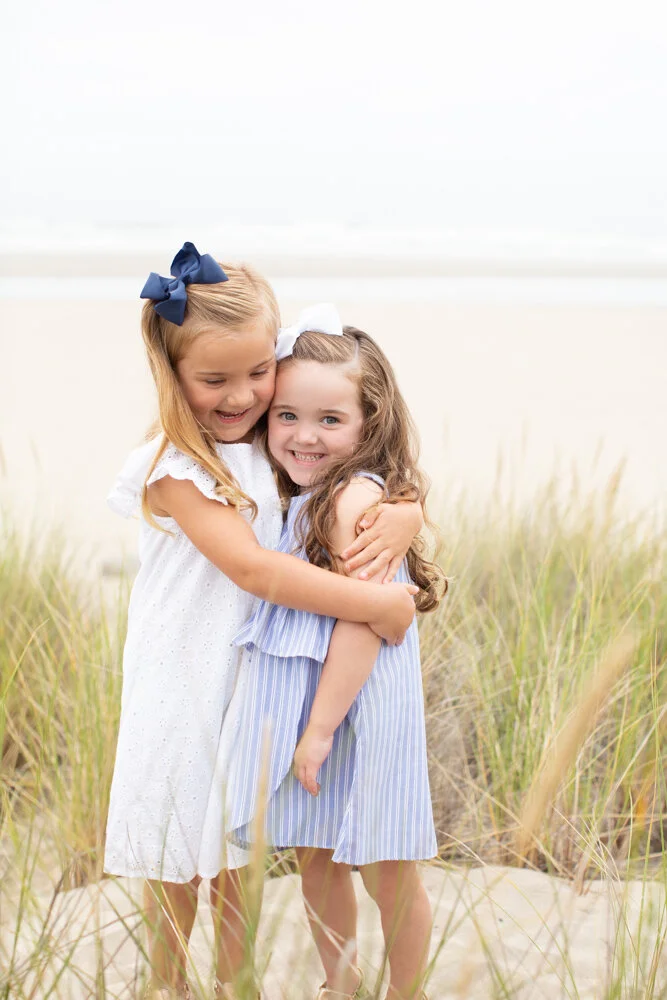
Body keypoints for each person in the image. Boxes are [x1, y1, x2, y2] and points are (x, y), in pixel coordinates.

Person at [103, 243, 425, 1000]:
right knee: (176, 847)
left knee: (230, 851)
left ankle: (234, 984)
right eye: (214, 380)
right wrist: (379, 604)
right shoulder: (174, 468)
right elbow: (254, 569)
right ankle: (167, 985)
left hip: (247, 677)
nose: (242, 395)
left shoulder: (265, 440)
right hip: (182, 677)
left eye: (258, 372)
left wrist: (407, 512)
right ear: (172, 375)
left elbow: (343, 471)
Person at [222, 315, 446, 1000]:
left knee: (386, 866)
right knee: (316, 858)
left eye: (330, 419)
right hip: (315, 704)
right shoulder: (301, 496)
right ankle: (339, 985)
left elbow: (362, 620)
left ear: (368, 423)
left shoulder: (353, 498)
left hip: (355, 706)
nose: (304, 436)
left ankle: (405, 991)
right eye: (287, 415)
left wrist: (319, 730)